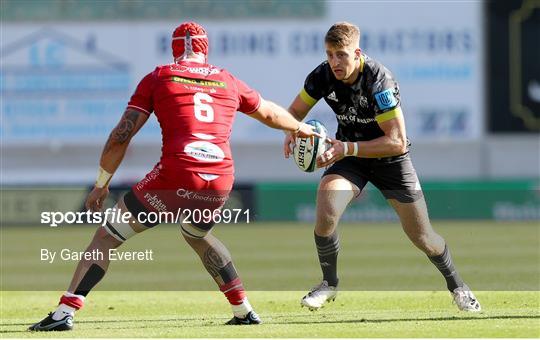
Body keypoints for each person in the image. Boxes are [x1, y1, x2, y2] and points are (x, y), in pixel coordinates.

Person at [29, 21, 319, 331]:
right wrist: (301, 128)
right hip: (220, 176)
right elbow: (272, 114)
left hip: (177, 174)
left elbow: (120, 136)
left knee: (108, 235)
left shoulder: (159, 77)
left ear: (174, 49)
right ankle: (243, 309)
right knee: (196, 234)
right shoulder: (228, 80)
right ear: (206, 50)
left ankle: (64, 312)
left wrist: (102, 184)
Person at [283, 22, 481, 312]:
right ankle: (329, 283)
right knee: (326, 209)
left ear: (357, 53)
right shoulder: (322, 75)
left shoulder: (379, 81)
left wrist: (345, 147)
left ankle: (458, 286)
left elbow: (397, 142)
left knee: (423, 237)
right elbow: (294, 113)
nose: (334, 62)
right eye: (329, 54)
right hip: (351, 159)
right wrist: (290, 131)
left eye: (341, 55)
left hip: (390, 159)